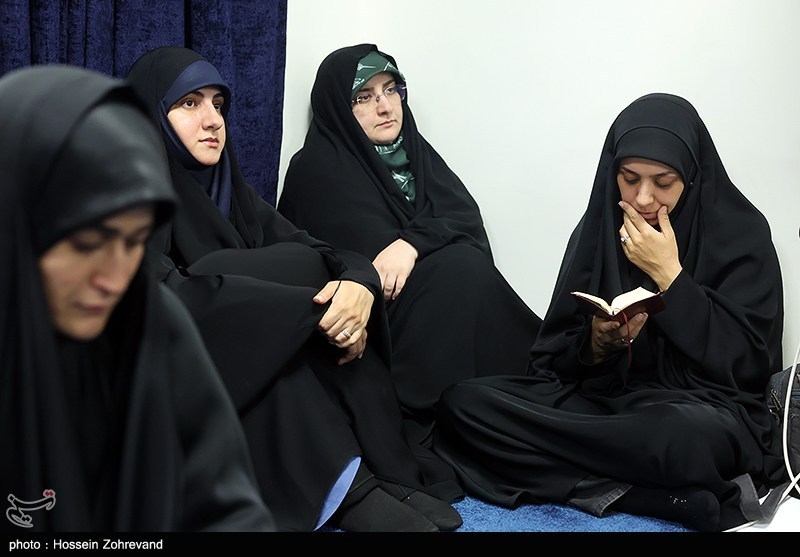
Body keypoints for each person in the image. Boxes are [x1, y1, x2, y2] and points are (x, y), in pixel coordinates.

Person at [125, 46, 463, 532]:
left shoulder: (234, 196)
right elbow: (164, 300)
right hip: (158, 380)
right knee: (273, 342)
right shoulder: (127, 206)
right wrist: (306, 309)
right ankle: (348, 491)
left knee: (324, 309)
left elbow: (325, 253)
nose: (213, 120)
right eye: (189, 104)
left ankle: (383, 469)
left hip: (234, 347)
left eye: (218, 105)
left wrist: (356, 287)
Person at [431, 93, 786, 532]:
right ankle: (650, 497)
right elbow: (550, 363)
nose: (643, 198)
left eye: (663, 182)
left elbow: (750, 367)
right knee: (464, 406)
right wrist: (596, 346)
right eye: (629, 178)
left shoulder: (742, 234)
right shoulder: (598, 231)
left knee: (680, 439)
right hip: (608, 403)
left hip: (699, 411)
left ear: (692, 176)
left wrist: (671, 276)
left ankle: (583, 479)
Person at [0, 64, 274, 531]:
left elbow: (228, 509)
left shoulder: (150, 321)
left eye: (134, 243)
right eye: (87, 244)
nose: (114, 279)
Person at [278, 44, 542, 445]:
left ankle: (509, 398)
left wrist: (412, 244)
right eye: (363, 97)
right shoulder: (317, 170)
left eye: (391, 90)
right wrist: (422, 245)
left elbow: (465, 219)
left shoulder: (416, 155)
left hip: (436, 313)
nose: (385, 107)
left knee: (464, 265)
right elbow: (367, 264)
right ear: (338, 107)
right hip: (376, 334)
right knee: (460, 267)